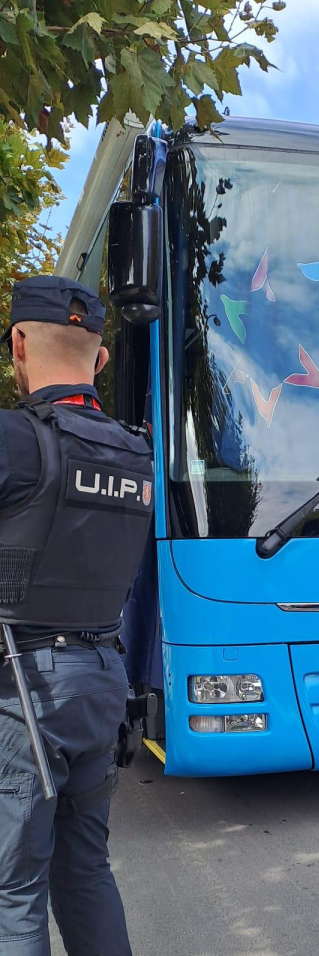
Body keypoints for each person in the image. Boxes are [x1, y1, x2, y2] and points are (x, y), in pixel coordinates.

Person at [0, 276, 154, 956]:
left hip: (23, 691)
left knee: (13, 887)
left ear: (18, 346)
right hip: (100, 684)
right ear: (101, 358)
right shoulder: (136, 453)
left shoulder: (14, 441)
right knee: (85, 870)